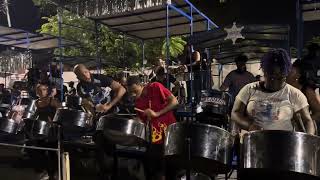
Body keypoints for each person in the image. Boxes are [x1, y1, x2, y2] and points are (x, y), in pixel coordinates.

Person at [231, 49, 315, 135]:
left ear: (285, 75)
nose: (275, 81)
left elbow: (307, 121)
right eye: (271, 77)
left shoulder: (295, 94)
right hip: (253, 142)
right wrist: (249, 126)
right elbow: (235, 113)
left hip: (283, 144)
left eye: (280, 78)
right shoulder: (249, 89)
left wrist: (308, 140)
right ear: (264, 72)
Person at [127, 76, 178, 180]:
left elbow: (174, 102)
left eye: (135, 91)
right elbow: (144, 122)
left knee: (170, 168)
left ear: (141, 85)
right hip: (155, 139)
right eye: (130, 93)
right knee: (154, 169)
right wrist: (137, 122)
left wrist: (157, 113)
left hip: (169, 133)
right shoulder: (138, 103)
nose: (133, 95)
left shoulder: (155, 86)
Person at [29, 82, 61, 180]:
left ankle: (55, 172)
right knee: (38, 151)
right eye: (39, 90)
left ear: (47, 91)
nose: (41, 92)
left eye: (43, 89)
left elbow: (60, 111)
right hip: (41, 129)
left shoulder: (53, 101)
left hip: (52, 130)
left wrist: (54, 121)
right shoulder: (36, 102)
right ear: (36, 92)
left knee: (52, 152)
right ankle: (43, 172)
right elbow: (35, 115)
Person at [287, 59, 320, 130]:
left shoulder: (307, 90)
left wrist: (305, 122)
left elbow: (318, 113)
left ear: (298, 75)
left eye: (291, 71)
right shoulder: (286, 88)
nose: (287, 73)